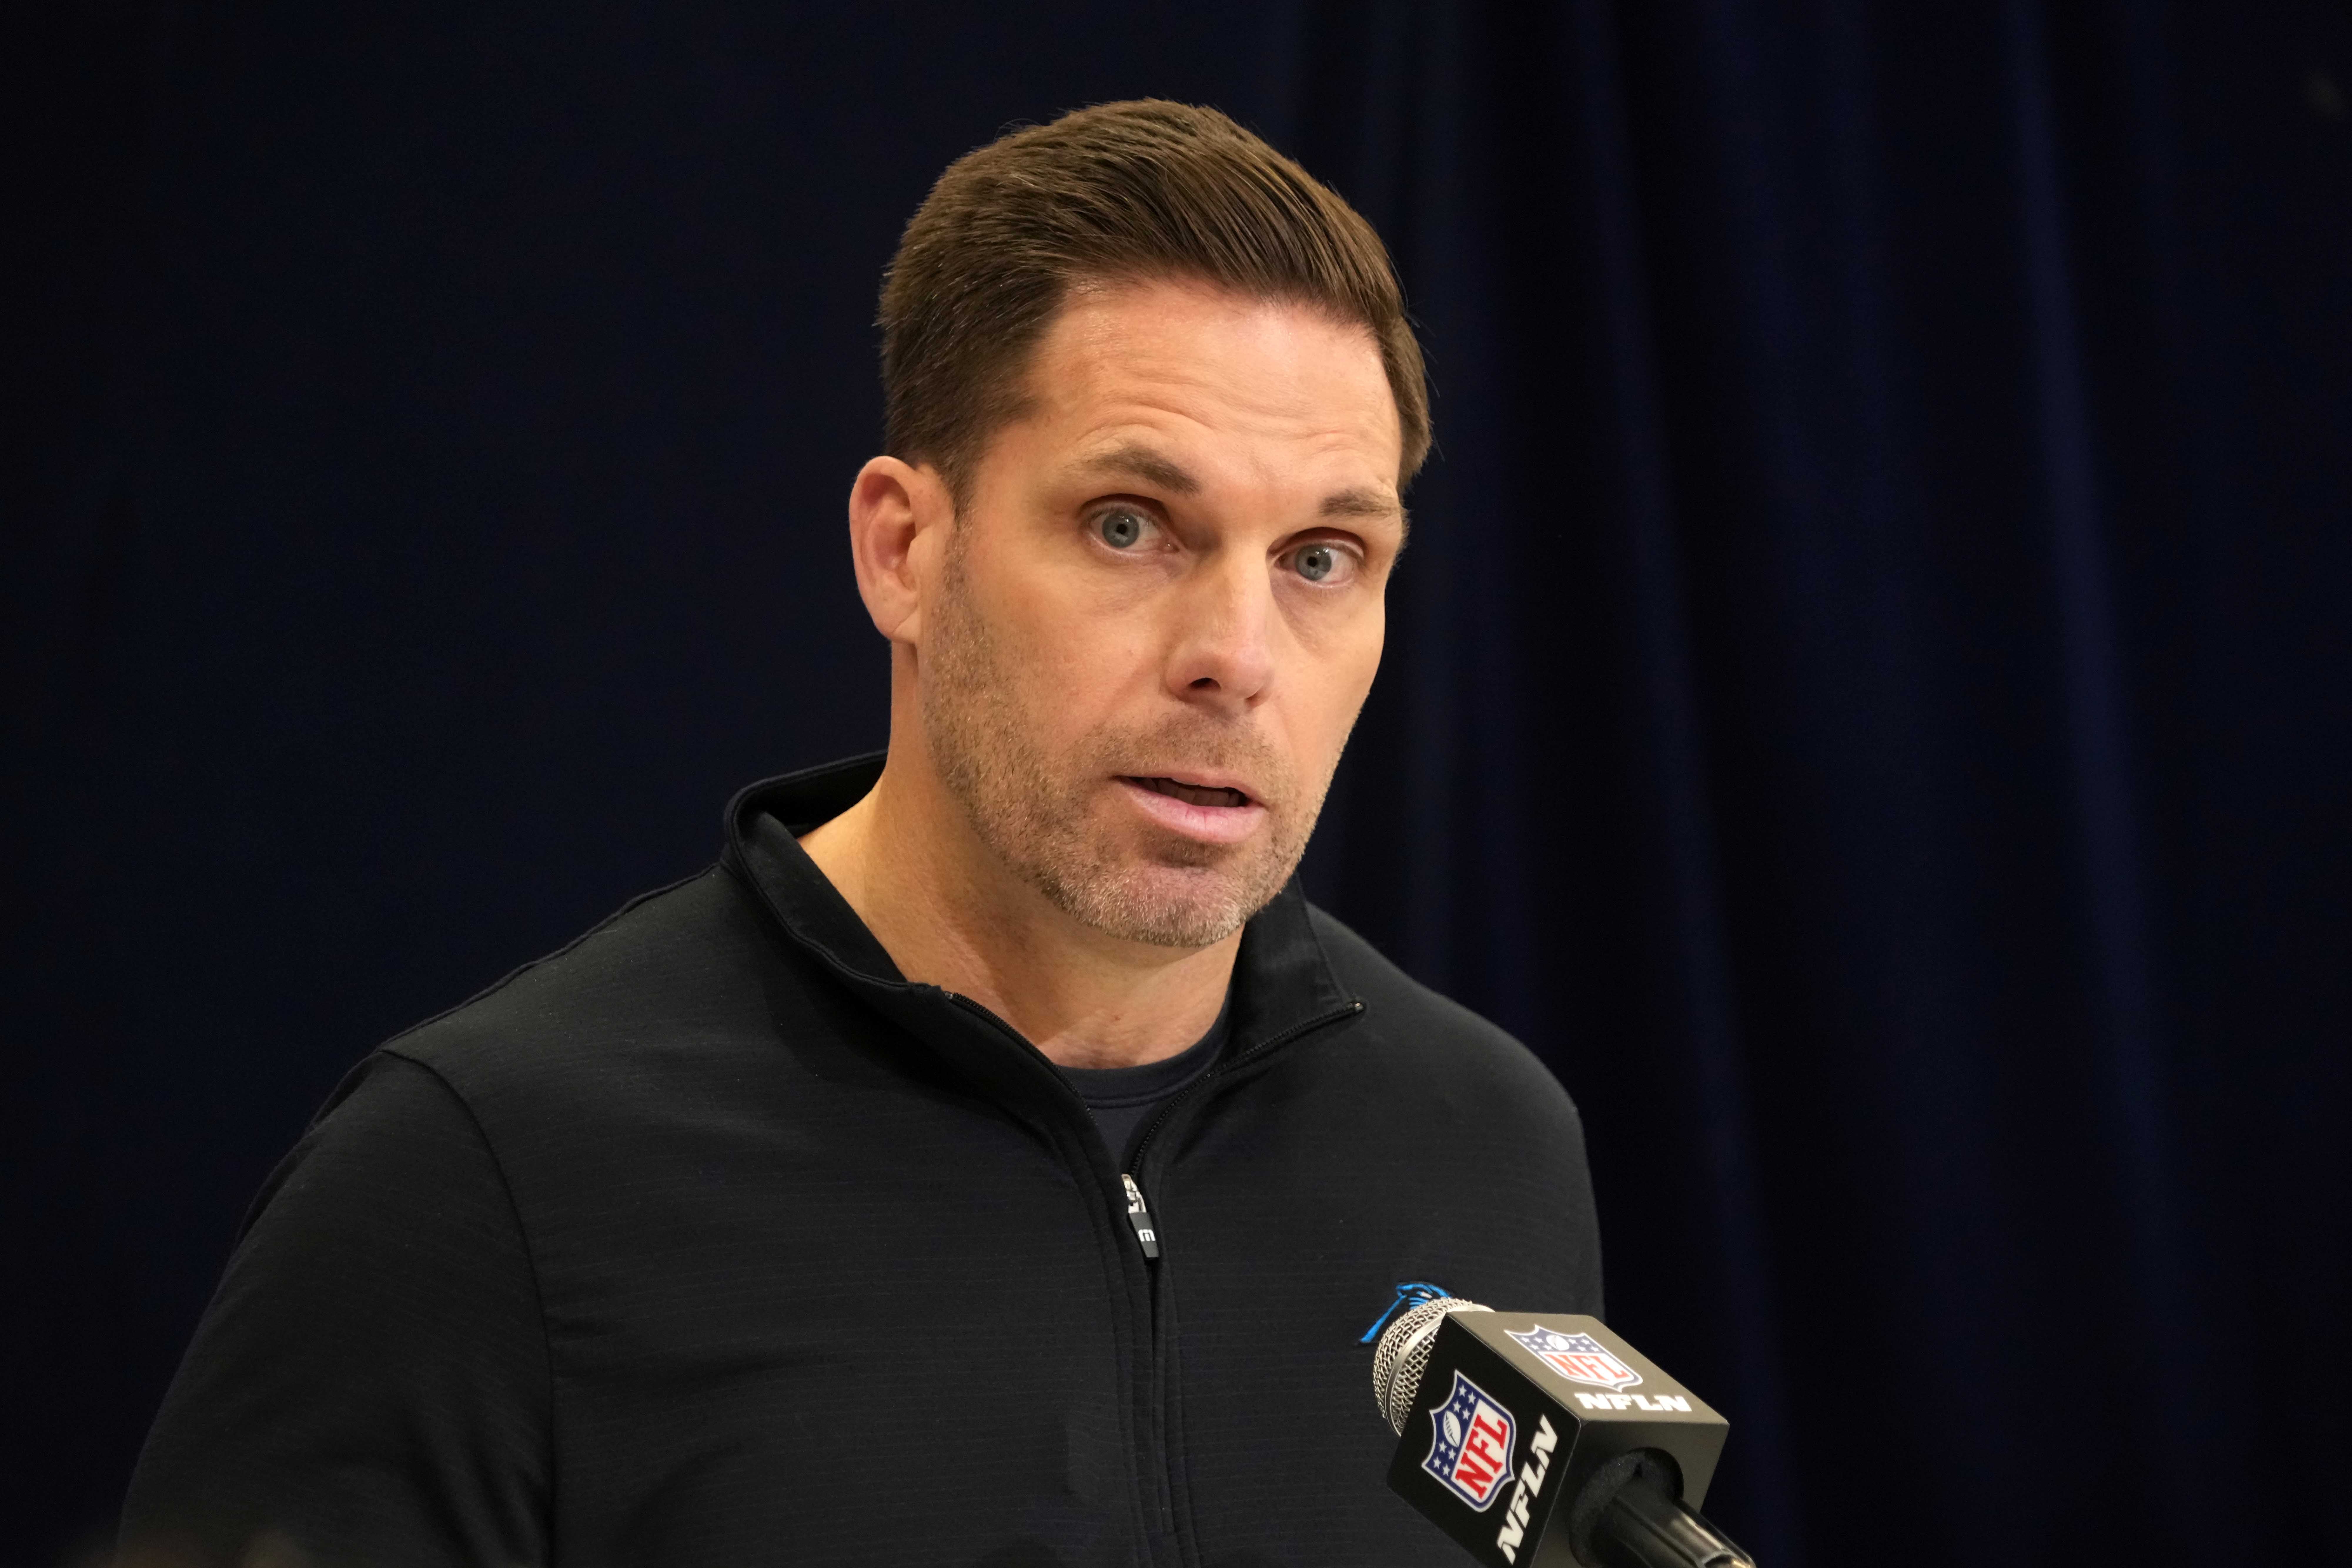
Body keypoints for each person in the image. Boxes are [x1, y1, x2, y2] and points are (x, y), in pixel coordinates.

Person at [121, 100, 1601, 1567]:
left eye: (1322, 558)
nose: (1239, 653)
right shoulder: (482, 1184)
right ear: (904, 547)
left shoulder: (1485, 1144)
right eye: (1130, 524)